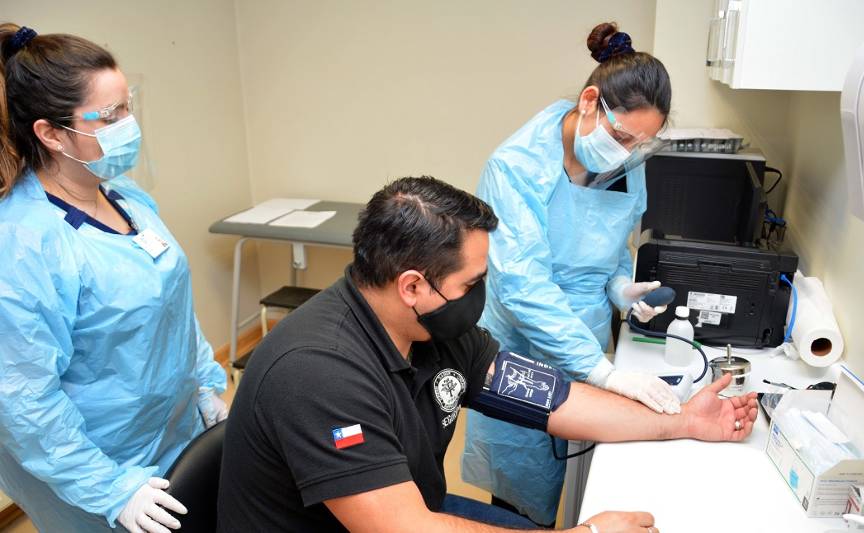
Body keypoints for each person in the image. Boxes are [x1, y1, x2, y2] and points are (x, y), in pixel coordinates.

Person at [216, 176, 758, 532]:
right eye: (473, 280)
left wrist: (681, 421)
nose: (484, 292)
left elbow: (554, 401)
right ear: (412, 286)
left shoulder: (435, 327)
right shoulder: (318, 371)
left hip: (420, 514)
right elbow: (406, 530)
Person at [0, 24, 228, 533]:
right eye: (110, 116)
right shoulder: (20, 245)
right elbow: (23, 400)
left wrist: (203, 384)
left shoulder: (125, 197)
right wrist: (109, 488)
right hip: (90, 468)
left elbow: (172, 306)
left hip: (168, 428)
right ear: (51, 133)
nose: (129, 125)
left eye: (128, 107)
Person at [462, 22, 677, 525]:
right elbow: (522, 286)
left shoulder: (627, 155)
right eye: (623, 136)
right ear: (589, 102)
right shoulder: (515, 166)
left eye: (641, 145)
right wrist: (603, 372)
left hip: (586, 334)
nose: (628, 154)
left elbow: (610, 246)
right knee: (520, 484)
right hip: (520, 342)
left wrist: (621, 286)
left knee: (579, 471)